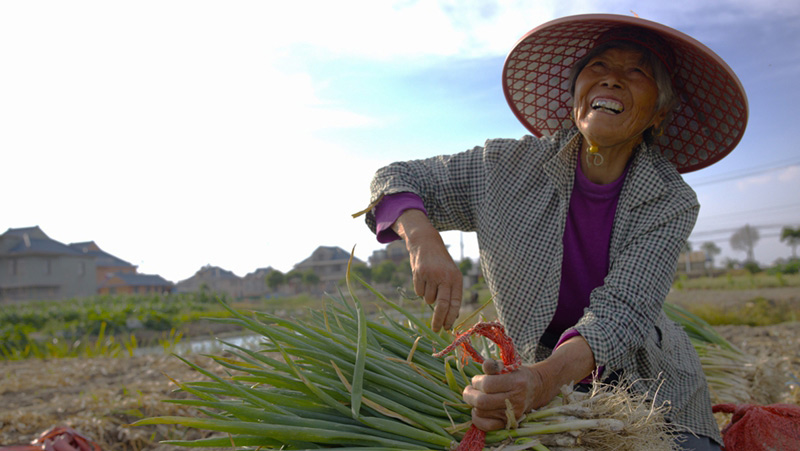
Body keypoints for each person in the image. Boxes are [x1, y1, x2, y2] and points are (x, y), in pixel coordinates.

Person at [359, 14, 747, 450]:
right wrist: (422, 238)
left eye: (636, 72)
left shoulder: (668, 199)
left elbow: (622, 313)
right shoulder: (504, 167)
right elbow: (395, 176)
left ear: (658, 113)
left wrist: (544, 381)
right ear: (576, 94)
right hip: (528, 364)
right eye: (598, 67)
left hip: (646, 379)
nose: (612, 81)